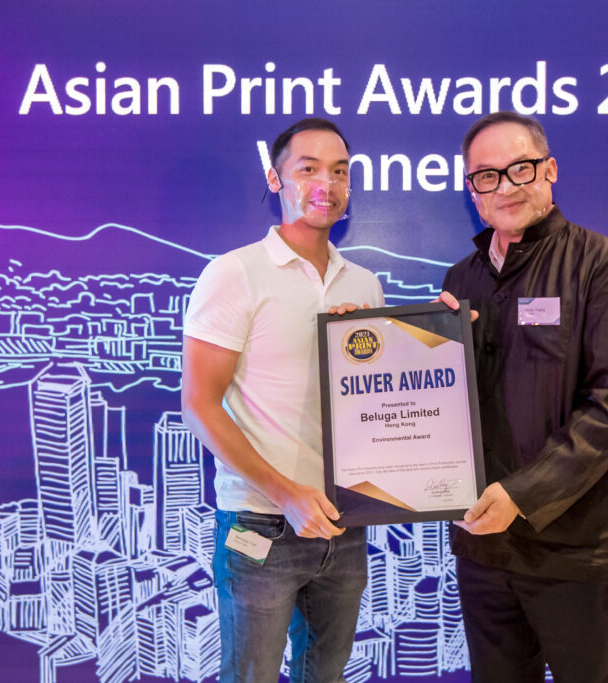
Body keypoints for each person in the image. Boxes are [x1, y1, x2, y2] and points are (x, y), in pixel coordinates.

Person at [439, 111, 608, 683]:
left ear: (550, 170)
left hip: (578, 551)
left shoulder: (602, 264)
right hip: (483, 547)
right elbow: (441, 405)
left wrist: (522, 494)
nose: (505, 186)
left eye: (521, 168)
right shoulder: (460, 281)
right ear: (472, 190)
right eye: (487, 176)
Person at [181, 118, 383, 683]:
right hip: (260, 523)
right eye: (308, 169)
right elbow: (198, 404)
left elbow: (376, 406)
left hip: (344, 525)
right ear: (276, 179)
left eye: (339, 171)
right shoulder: (235, 273)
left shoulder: (364, 284)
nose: (327, 184)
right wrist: (287, 494)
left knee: (326, 675)